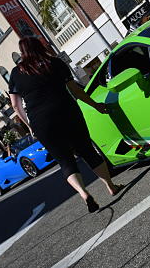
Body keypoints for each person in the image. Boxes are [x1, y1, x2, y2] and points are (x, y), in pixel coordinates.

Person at [8, 37, 122, 213]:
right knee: (87, 150)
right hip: (67, 111)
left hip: (41, 121)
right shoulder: (55, 63)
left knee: (65, 160)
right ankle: (111, 186)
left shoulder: (16, 73)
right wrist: (96, 105)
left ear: (22, 52)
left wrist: (30, 126)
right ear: (40, 46)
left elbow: (16, 105)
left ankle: (84, 193)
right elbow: (75, 90)